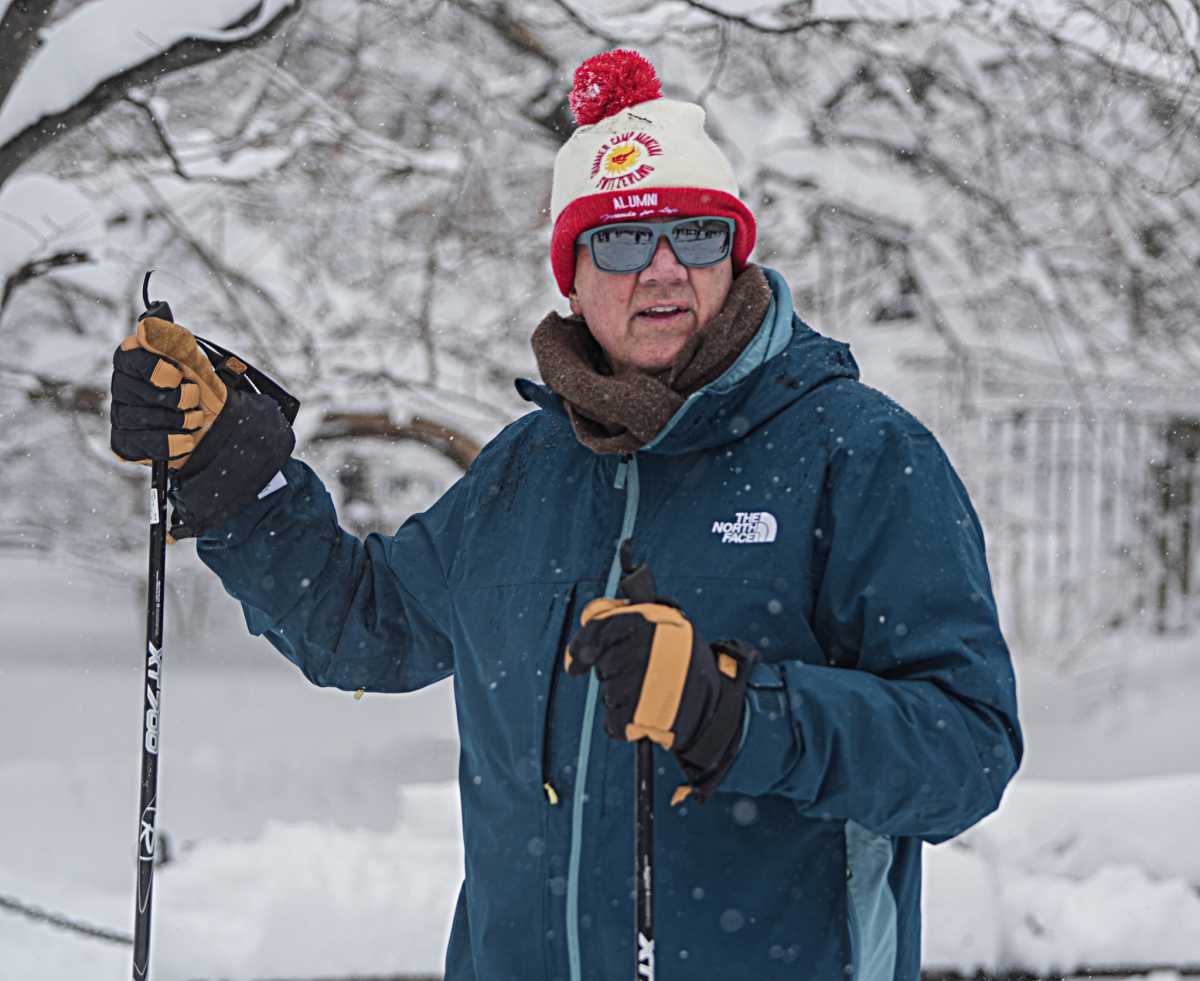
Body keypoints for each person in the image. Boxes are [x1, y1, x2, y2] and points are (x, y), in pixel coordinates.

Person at [109, 49, 1022, 981]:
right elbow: (367, 627)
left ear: (736, 253)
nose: (665, 270)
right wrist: (230, 469)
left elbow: (969, 748)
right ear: (572, 276)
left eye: (698, 235)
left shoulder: (858, 455)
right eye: (624, 242)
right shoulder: (527, 471)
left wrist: (737, 712)